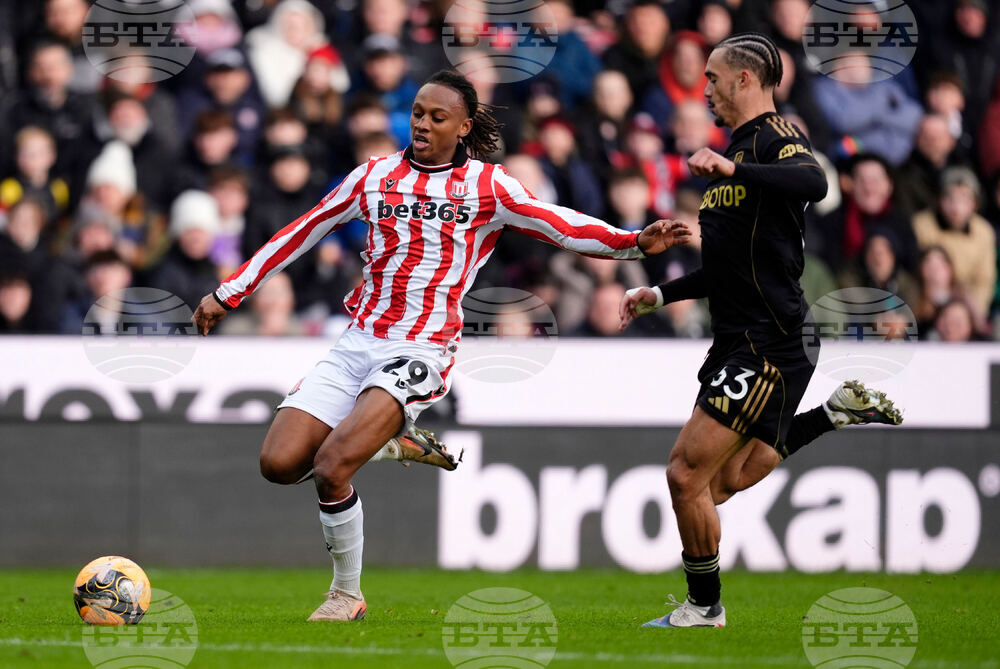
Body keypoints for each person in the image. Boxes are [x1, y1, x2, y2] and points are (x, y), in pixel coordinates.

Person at [191, 69, 689, 622]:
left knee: (333, 466)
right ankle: (388, 441)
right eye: (418, 113)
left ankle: (346, 595)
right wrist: (228, 292)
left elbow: (560, 225)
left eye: (437, 117)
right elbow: (301, 231)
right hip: (356, 341)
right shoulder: (373, 176)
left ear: (464, 126)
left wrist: (631, 242)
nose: (422, 124)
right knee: (278, 463)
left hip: (423, 349)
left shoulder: (489, 186)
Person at [618, 33, 903, 630]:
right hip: (757, 335)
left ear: (746, 80)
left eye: (715, 79)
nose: (707, 90)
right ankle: (832, 415)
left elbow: (814, 182)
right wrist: (660, 294)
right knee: (718, 485)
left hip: (766, 339)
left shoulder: (777, 135)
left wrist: (733, 166)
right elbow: (726, 269)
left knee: (684, 476)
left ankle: (704, 608)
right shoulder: (737, 153)